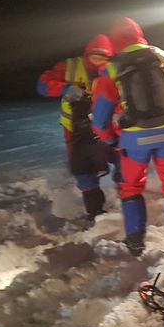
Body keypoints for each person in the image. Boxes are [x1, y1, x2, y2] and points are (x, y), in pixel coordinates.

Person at [91, 17, 164, 255]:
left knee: (131, 188)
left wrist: (110, 140)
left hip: (134, 141)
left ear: (115, 40)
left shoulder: (112, 67)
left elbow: (99, 119)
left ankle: (135, 242)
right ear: (139, 34)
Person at [37, 34, 114, 220]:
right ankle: (95, 212)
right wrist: (65, 89)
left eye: (103, 59)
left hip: (106, 125)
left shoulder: (113, 69)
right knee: (84, 171)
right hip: (75, 130)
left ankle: (127, 201)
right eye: (95, 57)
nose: (98, 63)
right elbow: (42, 86)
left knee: (122, 161)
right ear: (86, 55)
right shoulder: (69, 67)